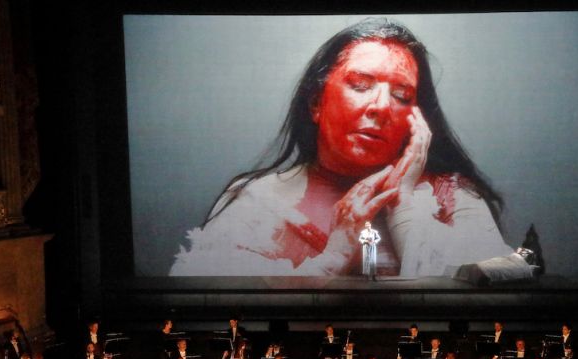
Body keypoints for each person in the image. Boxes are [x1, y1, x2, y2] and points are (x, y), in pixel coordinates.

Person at [170, 18, 534, 280]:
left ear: (417, 117)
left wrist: (404, 199)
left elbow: (483, 299)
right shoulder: (256, 199)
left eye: (402, 95)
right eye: (360, 85)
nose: (380, 106)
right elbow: (215, 309)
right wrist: (334, 255)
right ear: (316, 103)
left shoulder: (453, 197)